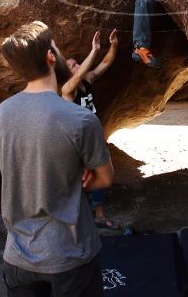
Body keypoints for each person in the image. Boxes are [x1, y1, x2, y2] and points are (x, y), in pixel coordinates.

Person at [0, 21, 114, 297]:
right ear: (49, 57)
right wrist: (82, 173)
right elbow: (104, 178)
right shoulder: (81, 119)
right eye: (56, 48)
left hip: (18, 256)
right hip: (70, 254)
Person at [62, 30, 119, 229]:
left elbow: (105, 64)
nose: (77, 66)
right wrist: (93, 50)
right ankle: (76, 217)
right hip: (76, 141)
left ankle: (100, 215)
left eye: (76, 62)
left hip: (93, 137)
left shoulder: (88, 80)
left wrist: (113, 45)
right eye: (72, 66)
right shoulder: (67, 90)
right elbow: (77, 75)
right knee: (77, 178)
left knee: (100, 174)